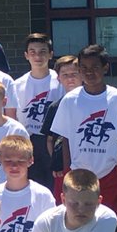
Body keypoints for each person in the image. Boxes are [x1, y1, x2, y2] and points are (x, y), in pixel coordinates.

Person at [48, 44, 117, 232]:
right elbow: (65, 140)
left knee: (114, 226)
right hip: (78, 176)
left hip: (109, 173)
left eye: (95, 68)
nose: (89, 73)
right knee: (73, 225)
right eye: (84, 69)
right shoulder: (71, 100)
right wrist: (66, 173)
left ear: (105, 67)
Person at [13, 33, 62, 186]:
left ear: (50, 54)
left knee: (54, 184)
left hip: (52, 140)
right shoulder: (17, 84)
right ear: (26, 55)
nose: (37, 56)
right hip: (28, 140)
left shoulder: (60, 81)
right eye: (32, 52)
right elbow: (13, 116)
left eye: (42, 51)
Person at [39, 54, 83, 198]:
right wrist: (56, 162)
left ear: (82, 74)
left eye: (74, 74)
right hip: (65, 165)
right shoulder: (55, 107)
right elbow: (50, 139)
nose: (70, 78)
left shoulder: (94, 102)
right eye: (65, 75)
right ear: (58, 78)